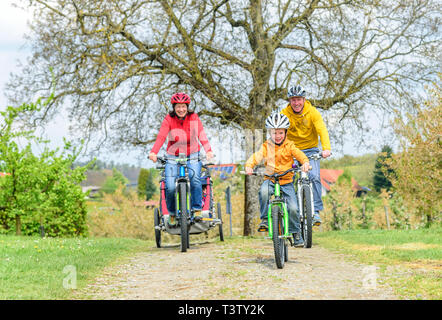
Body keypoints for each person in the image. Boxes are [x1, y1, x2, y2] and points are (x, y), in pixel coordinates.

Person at [148, 92, 214, 226]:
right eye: (178, 106)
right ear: (174, 107)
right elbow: (161, 136)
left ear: (187, 106)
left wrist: (208, 150)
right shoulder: (168, 119)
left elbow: (201, 134)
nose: (181, 109)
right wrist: (154, 152)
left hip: (193, 154)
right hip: (173, 155)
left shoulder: (193, 117)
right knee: (170, 185)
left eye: (183, 106)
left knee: (195, 179)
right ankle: (172, 213)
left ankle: (196, 210)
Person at [245, 112, 310, 246]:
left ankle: (295, 232)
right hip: (271, 179)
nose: (278, 136)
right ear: (269, 133)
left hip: (286, 182)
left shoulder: (290, 145)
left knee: (293, 208)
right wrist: (249, 166)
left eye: (280, 132)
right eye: (274, 133)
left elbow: (299, 154)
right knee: (263, 192)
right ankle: (264, 219)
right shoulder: (266, 146)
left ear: (285, 132)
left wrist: (305, 163)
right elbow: (257, 156)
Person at [281, 85, 332, 226]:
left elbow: (322, 130)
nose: (296, 103)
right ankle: (290, 210)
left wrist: (326, 148)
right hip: (292, 150)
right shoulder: (284, 113)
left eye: (298, 99)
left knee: (314, 176)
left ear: (304, 100)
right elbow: (279, 132)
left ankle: (315, 211)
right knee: (286, 179)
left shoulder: (313, 113)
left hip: (311, 150)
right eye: (293, 100)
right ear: (289, 101)